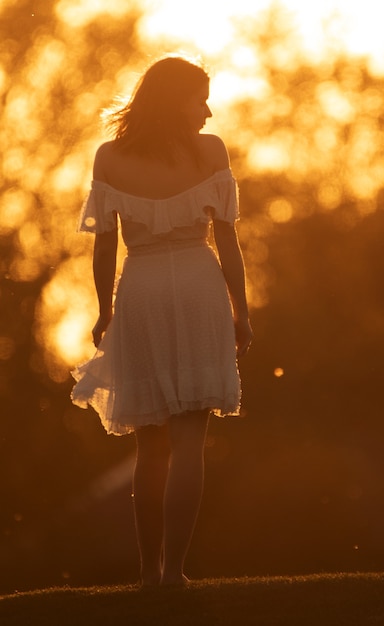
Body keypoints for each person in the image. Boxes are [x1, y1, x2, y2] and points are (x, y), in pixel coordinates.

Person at [71, 54, 253, 587]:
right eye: (200, 99)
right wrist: (242, 311)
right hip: (199, 287)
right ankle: (175, 572)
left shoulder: (109, 158)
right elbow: (229, 243)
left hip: (142, 291)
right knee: (190, 444)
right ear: (177, 100)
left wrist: (104, 310)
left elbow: (105, 249)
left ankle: (149, 573)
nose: (209, 112)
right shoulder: (209, 153)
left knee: (151, 446)